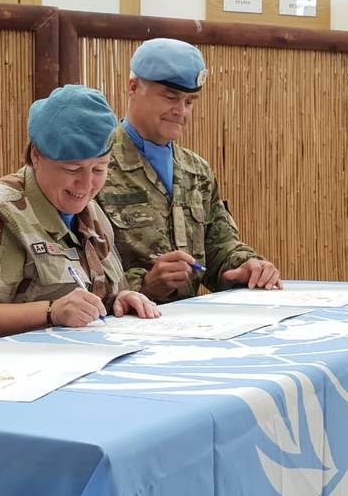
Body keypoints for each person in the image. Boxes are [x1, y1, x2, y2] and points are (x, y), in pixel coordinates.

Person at [0, 85, 159, 345]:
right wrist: (52, 312)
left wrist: (118, 300)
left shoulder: (90, 214)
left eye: (99, 169)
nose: (87, 184)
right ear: (36, 156)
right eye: (73, 169)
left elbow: (90, 294)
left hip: (63, 354)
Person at [95, 38, 282, 303]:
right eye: (170, 97)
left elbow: (218, 246)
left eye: (190, 101)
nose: (181, 111)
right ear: (133, 87)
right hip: (120, 323)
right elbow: (77, 269)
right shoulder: (96, 168)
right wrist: (143, 286)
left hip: (190, 321)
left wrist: (246, 265)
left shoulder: (196, 171)